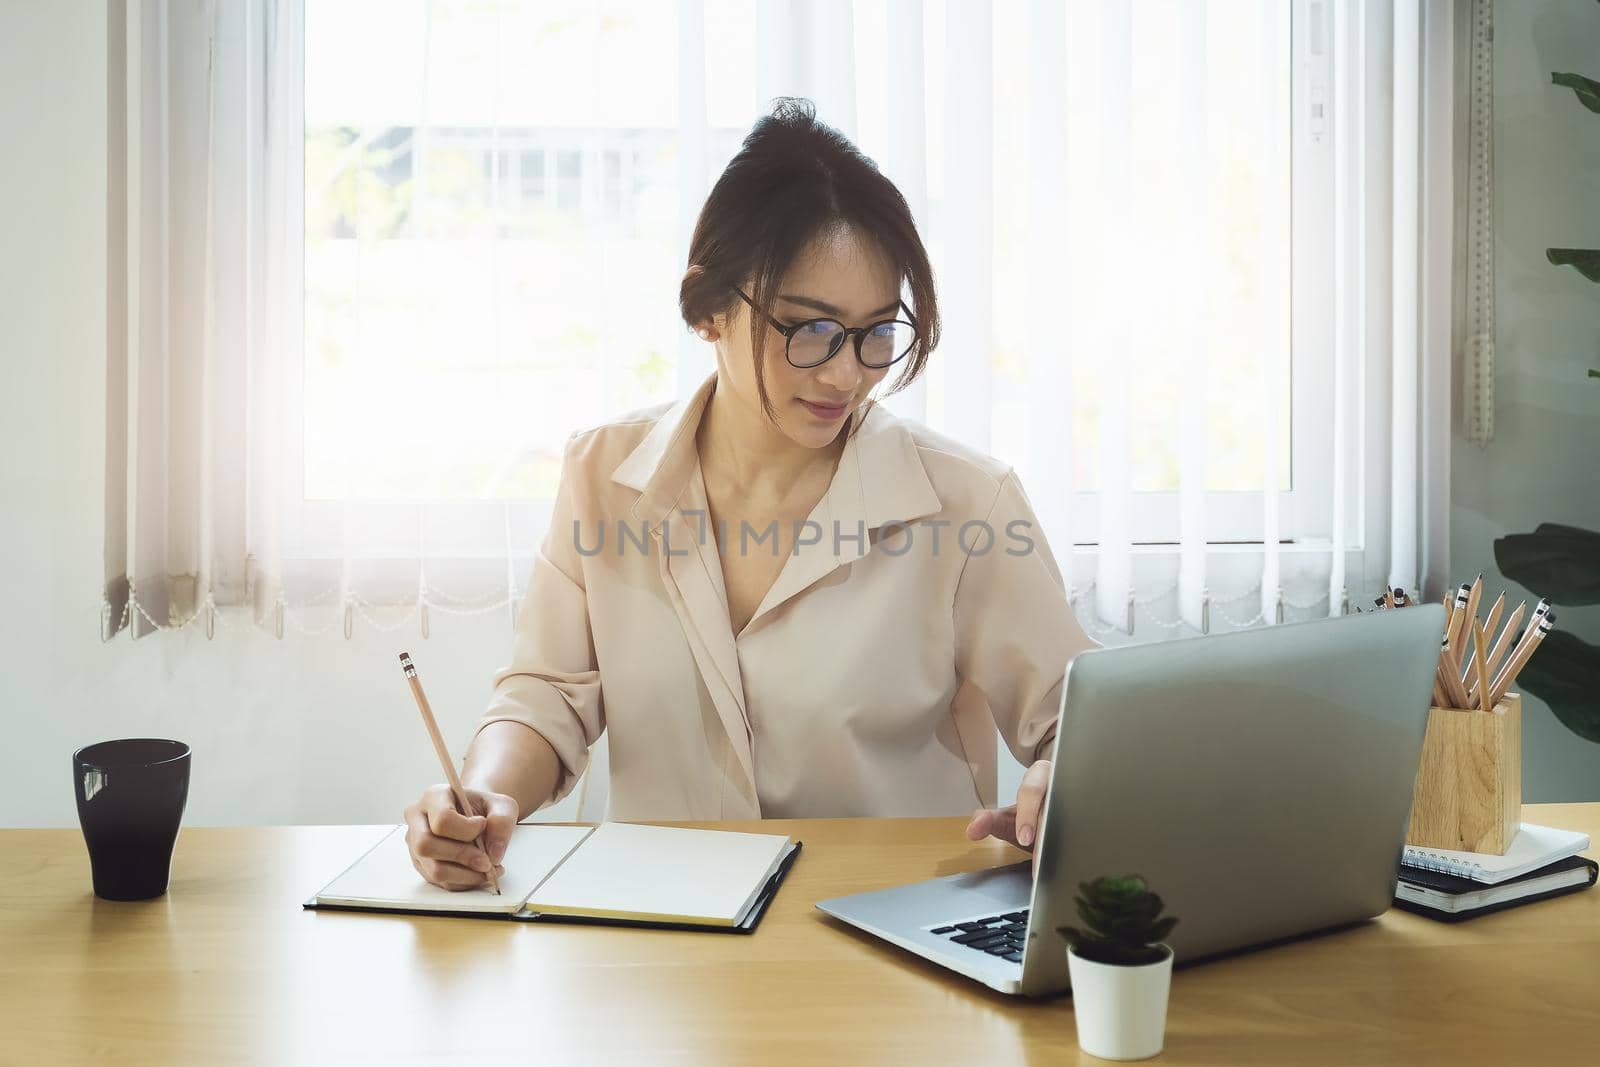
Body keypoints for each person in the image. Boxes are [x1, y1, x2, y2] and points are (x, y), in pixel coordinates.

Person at [404, 98, 1097, 892]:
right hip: (666, 934)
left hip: (891, 938)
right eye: (810, 329)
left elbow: (1083, 723)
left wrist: (1062, 776)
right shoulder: (603, 476)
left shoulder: (968, 504)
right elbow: (546, 697)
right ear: (709, 309)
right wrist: (490, 791)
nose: (847, 373)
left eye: (876, 332)